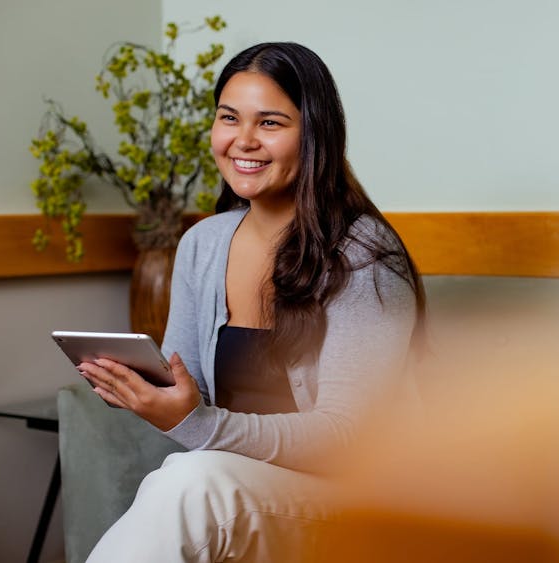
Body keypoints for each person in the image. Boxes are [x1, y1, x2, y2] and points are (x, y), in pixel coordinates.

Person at [78, 42, 425, 562]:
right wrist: (142, 390)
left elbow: (347, 438)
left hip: (362, 501)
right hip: (245, 488)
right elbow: (186, 383)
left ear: (314, 136)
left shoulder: (363, 253)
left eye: (270, 123)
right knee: (187, 478)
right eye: (228, 118)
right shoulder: (203, 243)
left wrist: (195, 422)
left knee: (192, 482)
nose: (243, 140)